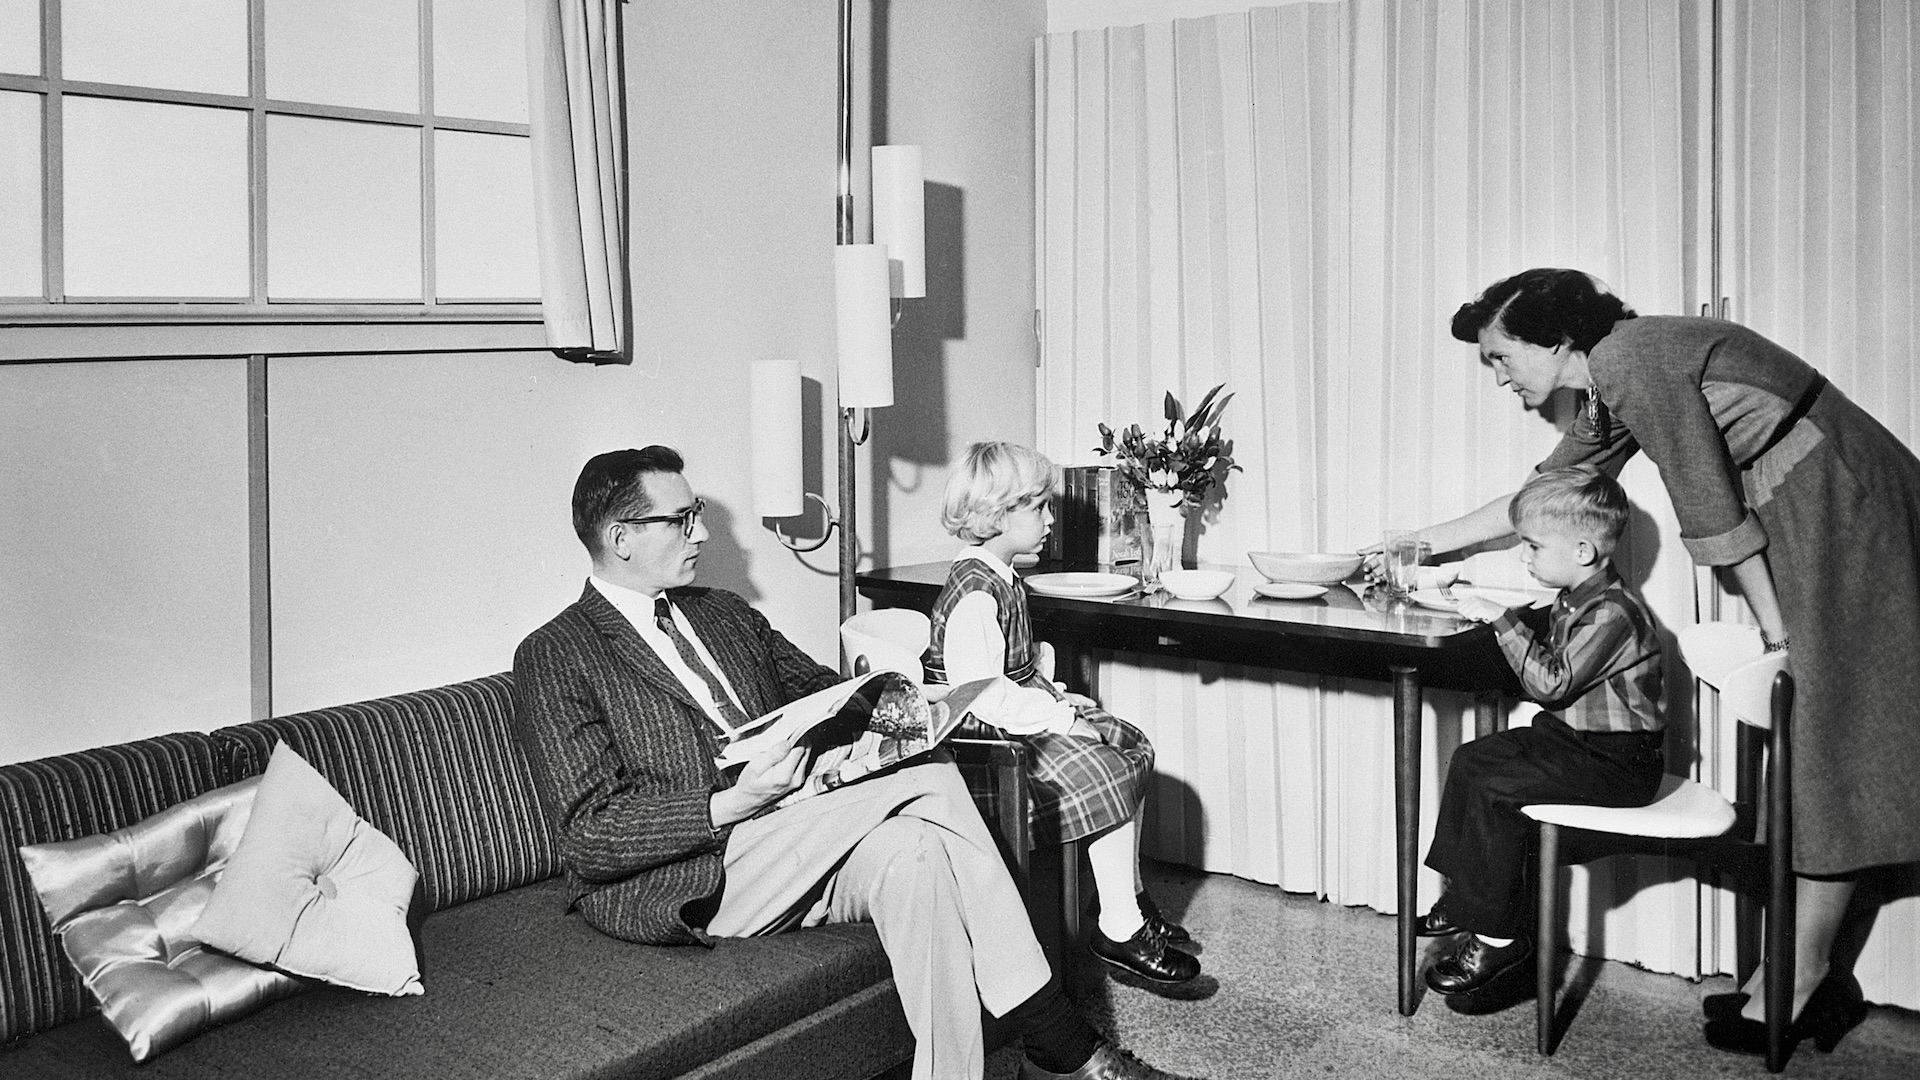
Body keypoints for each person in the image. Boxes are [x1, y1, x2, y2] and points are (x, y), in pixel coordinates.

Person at [512, 447, 1198, 1080]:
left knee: (920, 852)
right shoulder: (557, 653)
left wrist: (920, 709)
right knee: (930, 781)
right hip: (698, 867)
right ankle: (1057, 1036)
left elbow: (826, 691)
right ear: (621, 537)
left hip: (796, 828)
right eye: (682, 519)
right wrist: (735, 803)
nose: (702, 533)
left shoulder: (720, 613)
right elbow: (588, 834)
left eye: (697, 516)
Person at [1406, 268, 1920, 1052]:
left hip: (1841, 497)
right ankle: (1795, 971)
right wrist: (1403, 546)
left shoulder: (1632, 362)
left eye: (1503, 359)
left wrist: (1779, 634)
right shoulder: (1613, 377)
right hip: (1812, 497)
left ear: (1558, 341)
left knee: (1825, 735)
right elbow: (1540, 497)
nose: (1501, 378)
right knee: (1814, 737)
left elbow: (1710, 508)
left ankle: (1802, 978)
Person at [921, 442, 1199, 986]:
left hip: (1011, 722)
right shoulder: (976, 592)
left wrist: (1059, 698)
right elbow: (983, 696)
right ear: (999, 515)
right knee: (1103, 764)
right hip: (984, 750)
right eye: (1041, 508)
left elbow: (1016, 671)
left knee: (1128, 741)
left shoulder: (1001, 577)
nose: (1052, 519)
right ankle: (1118, 927)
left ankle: (1128, 899)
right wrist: (1059, 719)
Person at [1418, 467, 1667, 996]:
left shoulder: (1615, 613)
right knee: (1470, 759)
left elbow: (1552, 684)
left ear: (1582, 551)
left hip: (1619, 762)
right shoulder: (1575, 599)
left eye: (1531, 546)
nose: (1522, 556)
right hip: (1573, 743)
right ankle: (1466, 896)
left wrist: (1500, 619)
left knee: (1497, 788)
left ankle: (1501, 940)